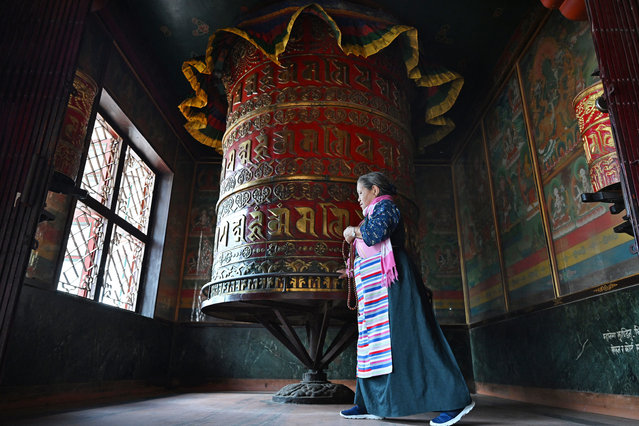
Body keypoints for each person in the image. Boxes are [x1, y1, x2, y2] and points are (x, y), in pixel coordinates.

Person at [338, 172, 474, 426]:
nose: (357, 199)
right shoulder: (373, 213)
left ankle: (454, 401)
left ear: (375, 190)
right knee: (373, 346)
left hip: (395, 287)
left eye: (360, 193)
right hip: (374, 294)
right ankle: (370, 403)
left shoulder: (386, 208)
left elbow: (374, 235)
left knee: (413, 339)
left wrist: (353, 231)